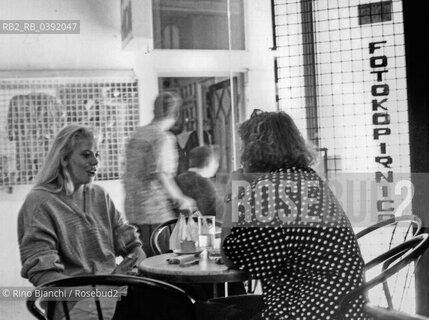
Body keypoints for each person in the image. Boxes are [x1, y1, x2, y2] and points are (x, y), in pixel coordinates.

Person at [221, 110, 368, 320]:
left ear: (254, 150)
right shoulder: (306, 178)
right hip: (343, 304)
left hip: (307, 309)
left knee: (198, 309)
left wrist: (231, 195)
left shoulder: (270, 189)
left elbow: (230, 257)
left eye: (243, 145)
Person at [18, 124, 145, 319]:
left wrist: (135, 262)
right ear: (64, 159)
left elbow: (131, 243)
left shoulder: (99, 195)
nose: (95, 161)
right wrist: (108, 285)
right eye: (86, 155)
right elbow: (44, 277)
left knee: (175, 305)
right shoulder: (40, 203)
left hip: (113, 294)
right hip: (73, 306)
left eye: (97, 154)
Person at [124, 91, 195, 257]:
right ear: (176, 114)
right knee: (160, 264)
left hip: (134, 209)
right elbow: (162, 174)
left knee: (141, 262)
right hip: (155, 213)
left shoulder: (137, 134)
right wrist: (181, 199)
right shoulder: (163, 137)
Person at [176, 145, 223, 218]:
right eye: (215, 163)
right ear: (209, 163)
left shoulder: (178, 179)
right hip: (203, 226)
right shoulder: (204, 183)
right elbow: (220, 211)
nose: (216, 166)